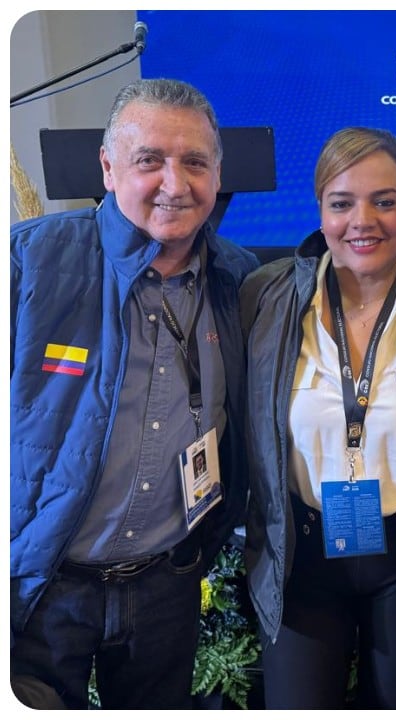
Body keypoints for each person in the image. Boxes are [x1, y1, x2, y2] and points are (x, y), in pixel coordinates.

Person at [10, 78, 259, 709]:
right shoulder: (30, 263)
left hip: (166, 587)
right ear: (108, 166)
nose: (175, 185)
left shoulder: (240, 280)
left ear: (218, 171)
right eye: (149, 160)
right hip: (42, 589)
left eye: (195, 162)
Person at [237, 128, 396, 708]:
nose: (362, 220)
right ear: (320, 211)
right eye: (341, 203)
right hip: (302, 555)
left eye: (384, 201)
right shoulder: (265, 300)